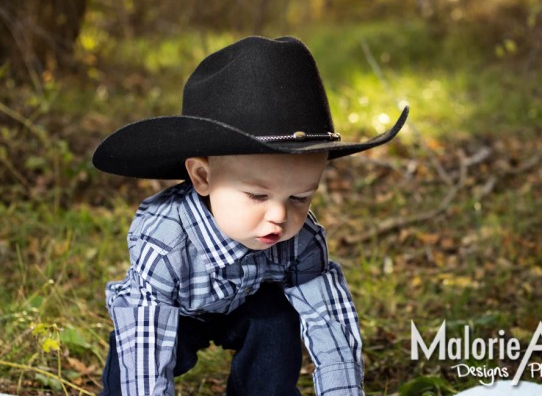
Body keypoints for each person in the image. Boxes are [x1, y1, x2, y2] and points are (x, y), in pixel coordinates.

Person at [93, 35, 409, 396]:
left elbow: (329, 320)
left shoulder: (301, 239)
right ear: (203, 177)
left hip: (246, 303)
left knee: (275, 322)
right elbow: (147, 330)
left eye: (300, 197)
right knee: (131, 352)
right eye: (257, 195)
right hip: (172, 312)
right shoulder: (165, 240)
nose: (279, 215)